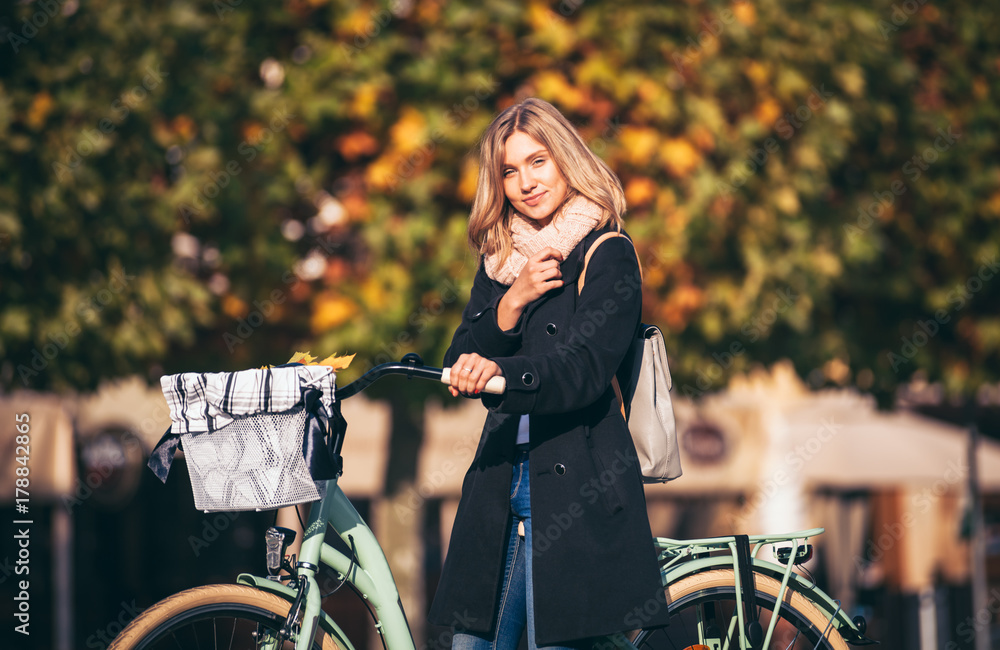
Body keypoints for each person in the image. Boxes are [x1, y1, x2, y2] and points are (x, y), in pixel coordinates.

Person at [426, 98, 670, 649]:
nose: (525, 183)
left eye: (538, 162)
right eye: (509, 171)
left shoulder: (608, 254)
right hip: (498, 487)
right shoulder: (499, 260)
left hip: (575, 490)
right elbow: (458, 357)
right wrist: (513, 301)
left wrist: (504, 376)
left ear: (566, 160)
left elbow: (583, 371)